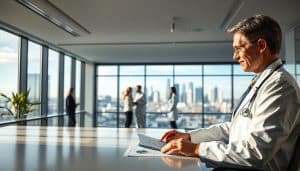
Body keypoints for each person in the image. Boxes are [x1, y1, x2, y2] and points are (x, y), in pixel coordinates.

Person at [159, 15, 300, 171]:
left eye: (239, 48)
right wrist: (190, 137)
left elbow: (256, 152)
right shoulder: (263, 82)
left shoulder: (280, 86)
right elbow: (234, 129)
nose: (235, 56)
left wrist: (196, 149)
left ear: (261, 45)